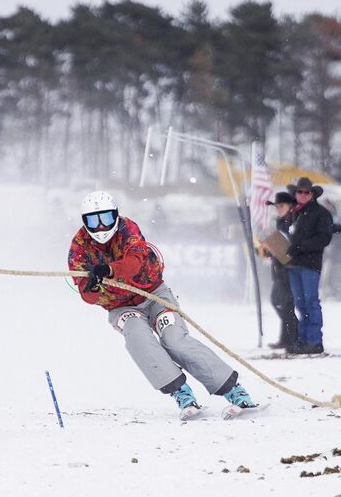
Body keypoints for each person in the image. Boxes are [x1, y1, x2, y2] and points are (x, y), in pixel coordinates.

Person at [68, 191, 256, 418]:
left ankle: (234, 391)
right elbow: (85, 295)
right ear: (84, 222)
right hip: (120, 306)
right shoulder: (79, 246)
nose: (100, 228)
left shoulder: (127, 229)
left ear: (116, 216)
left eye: (105, 219)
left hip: (154, 294)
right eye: (93, 221)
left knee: (174, 340)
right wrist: (93, 286)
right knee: (137, 337)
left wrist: (109, 269)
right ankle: (181, 393)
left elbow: (135, 261)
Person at [284, 177, 333, 354]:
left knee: (310, 301)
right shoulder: (293, 213)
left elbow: (324, 238)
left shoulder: (321, 213)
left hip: (310, 265)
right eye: (300, 192)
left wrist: (301, 247)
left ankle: (314, 340)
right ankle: (304, 340)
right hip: (293, 264)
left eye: (306, 192)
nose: (303, 195)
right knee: (300, 304)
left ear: (312, 194)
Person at [264, 191, 299, 350]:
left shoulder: (295, 221)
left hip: (290, 268)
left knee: (284, 303)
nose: (278, 209)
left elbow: (292, 245)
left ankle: (292, 335)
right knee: (280, 302)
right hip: (280, 267)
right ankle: (288, 336)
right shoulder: (280, 222)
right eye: (277, 206)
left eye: (281, 206)